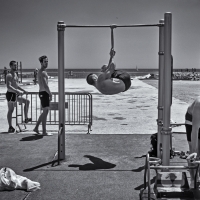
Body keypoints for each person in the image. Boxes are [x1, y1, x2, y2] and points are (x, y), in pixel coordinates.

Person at [6, 61, 31, 133]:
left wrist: (24, 90)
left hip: (16, 94)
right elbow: (8, 86)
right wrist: (17, 91)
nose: (16, 67)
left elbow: (17, 85)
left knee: (27, 101)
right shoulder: (9, 75)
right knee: (11, 110)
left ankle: (26, 118)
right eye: (14, 65)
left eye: (16, 65)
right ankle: (10, 126)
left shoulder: (16, 74)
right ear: (10, 66)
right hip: (10, 94)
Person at [33, 55, 52, 136]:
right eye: (45, 62)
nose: (46, 63)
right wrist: (50, 93)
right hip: (44, 93)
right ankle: (44, 131)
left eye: (47, 61)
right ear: (41, 63)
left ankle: (36, 127)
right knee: (45, 112)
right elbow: (45, 85)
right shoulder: (43, 72)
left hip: (42, 93)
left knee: (45, 112)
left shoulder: (41, 71)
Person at [185, 97, 200, 188]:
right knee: (194, 152)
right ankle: (193, 179)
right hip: (192, 122)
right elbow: (195, 129)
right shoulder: (199, 104)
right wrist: (194, 151)